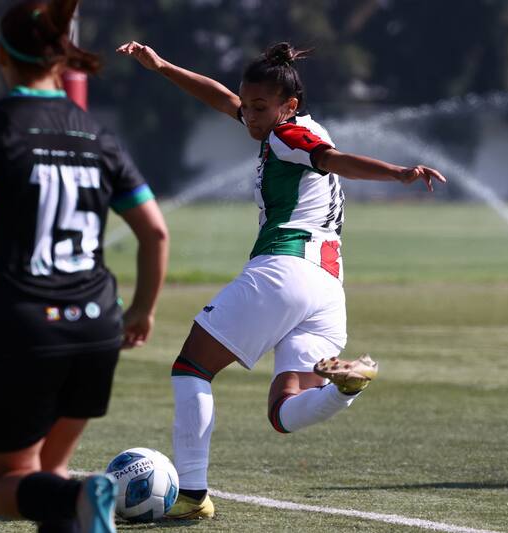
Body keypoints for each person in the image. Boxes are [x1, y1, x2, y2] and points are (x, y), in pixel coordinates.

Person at [117, 41, 447, 518]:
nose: (248, 116)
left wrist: (398, 173)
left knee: (191, 369)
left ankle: (191, 495)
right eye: (246, 105)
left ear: (288, 106)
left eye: (259, 108)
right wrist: (163, 65)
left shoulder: (287, 137)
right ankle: (345, 388)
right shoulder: (286, 125)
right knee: (284, 413)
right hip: (327, 288)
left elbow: (334, 160)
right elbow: (218, 97)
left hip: (284, 270)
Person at [0, 1, 168, 532]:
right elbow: (155, 231)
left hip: (20, 326)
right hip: (97, 325)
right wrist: (141, 310)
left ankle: (81, 497)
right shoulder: (97, 134)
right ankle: (78, 501)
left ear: (2, 55)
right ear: (61, 58)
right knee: (50, 471)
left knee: (3, 485)